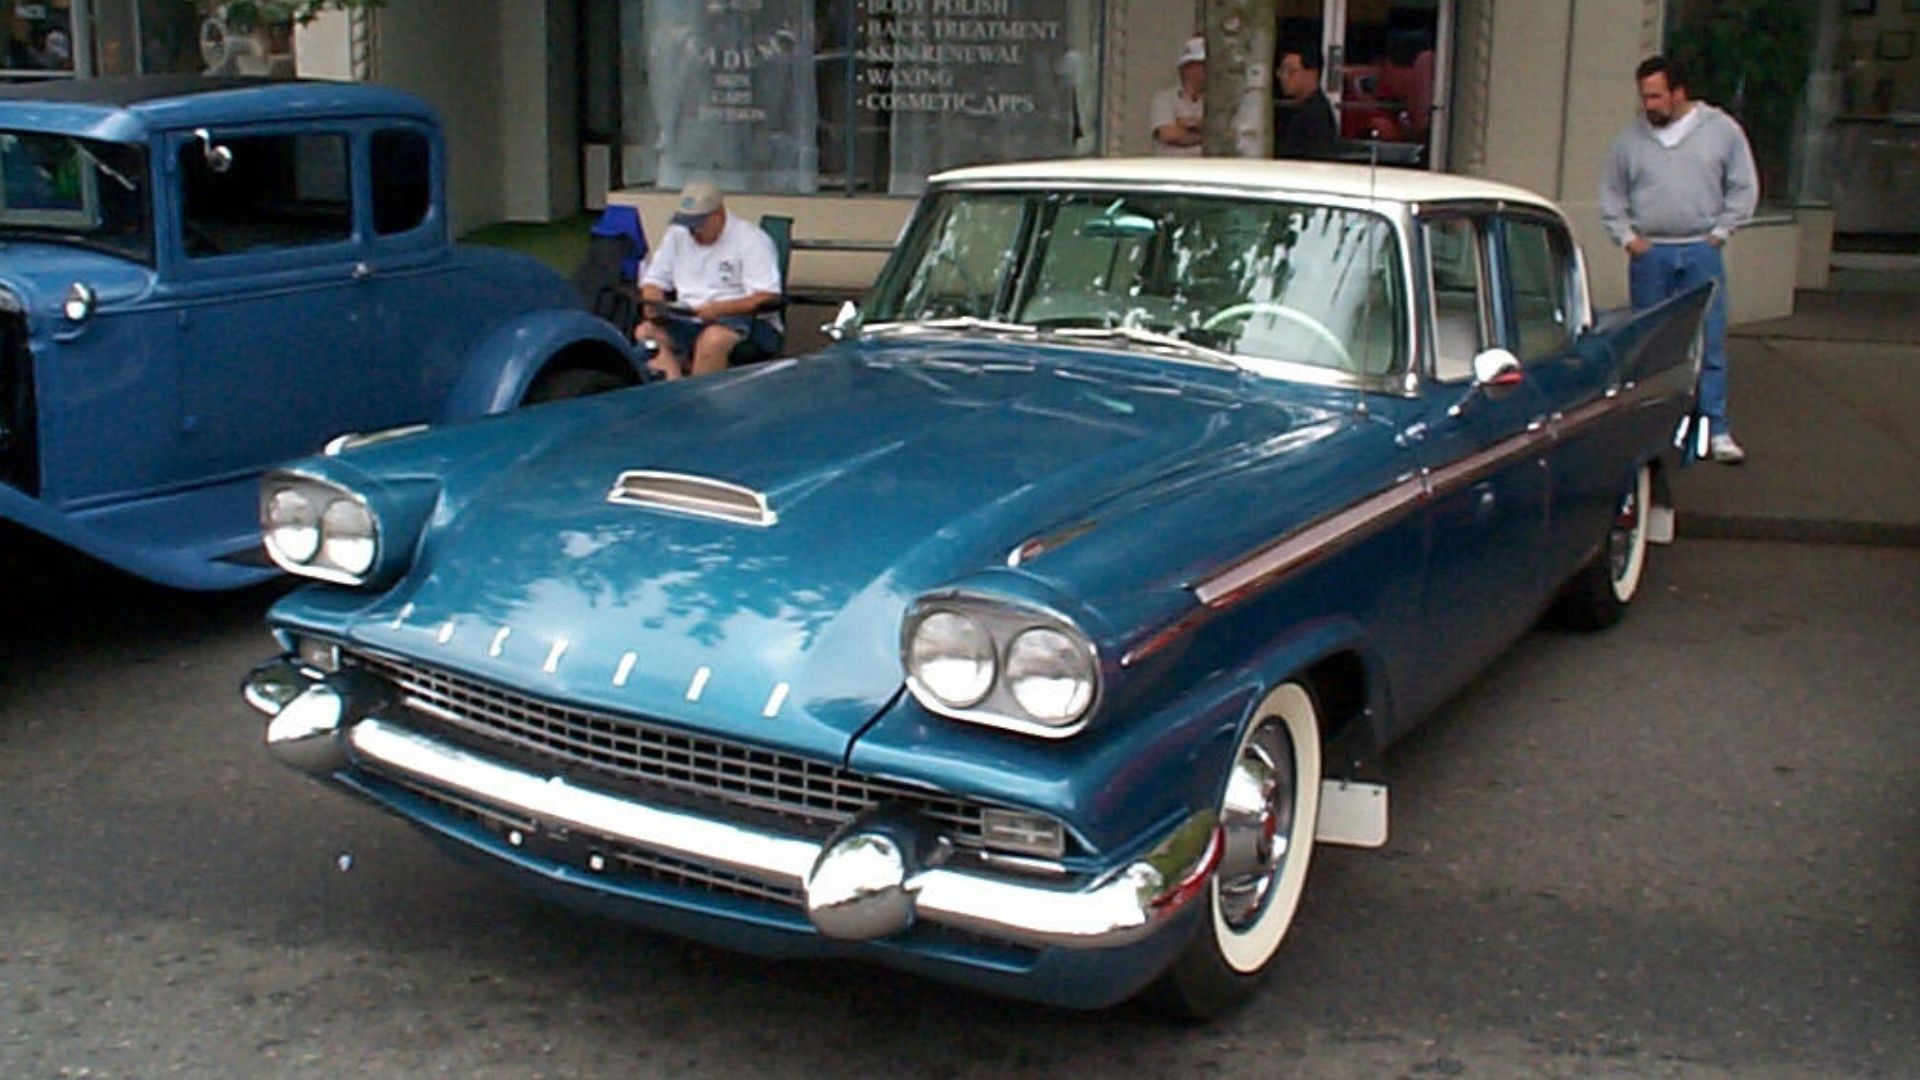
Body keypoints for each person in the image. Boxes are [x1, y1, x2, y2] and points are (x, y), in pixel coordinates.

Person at [1600, 55, 1758, 464]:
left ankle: (1715, 428)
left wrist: (1720, 234)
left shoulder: (1721, 132)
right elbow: (1612, 194)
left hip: (1700, 250)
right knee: (1650, 343)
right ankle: (1650, 428)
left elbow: (1743, 186)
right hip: (1651, 253)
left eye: (1655, 96)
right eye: (1644, 97)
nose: (1648, 105)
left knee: (1708, 339)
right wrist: (1628, 238)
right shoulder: (1630, 141)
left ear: (1678, 92)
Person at [636, 181, 784, 380]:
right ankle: (674, 387)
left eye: (698, 225)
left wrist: (719, 309)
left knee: (713, 340)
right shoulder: (678, 235)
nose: (693, 231)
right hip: (686, 315)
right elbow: (654, 280)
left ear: (718, 215)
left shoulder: (751, 240)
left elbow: (766, 296)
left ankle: (699, 401)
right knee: (646, 332)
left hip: (741, 318)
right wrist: (654, 305)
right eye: (689, 225)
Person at [1274, 45, 1337, 160]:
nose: (1284, 77)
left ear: (1312, 74)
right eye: (1281, 71)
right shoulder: (1301, 109)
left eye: (1291, 71)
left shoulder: (1315, 115)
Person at [1149, 36, 1206, 156]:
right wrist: (1204, 133)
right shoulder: (1164, 99)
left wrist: (1185, 124)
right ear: (1187, 68)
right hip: (1172, 170)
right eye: (1201, 65)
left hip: (1205, 170)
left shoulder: (1218, 103)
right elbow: (1168, 134)